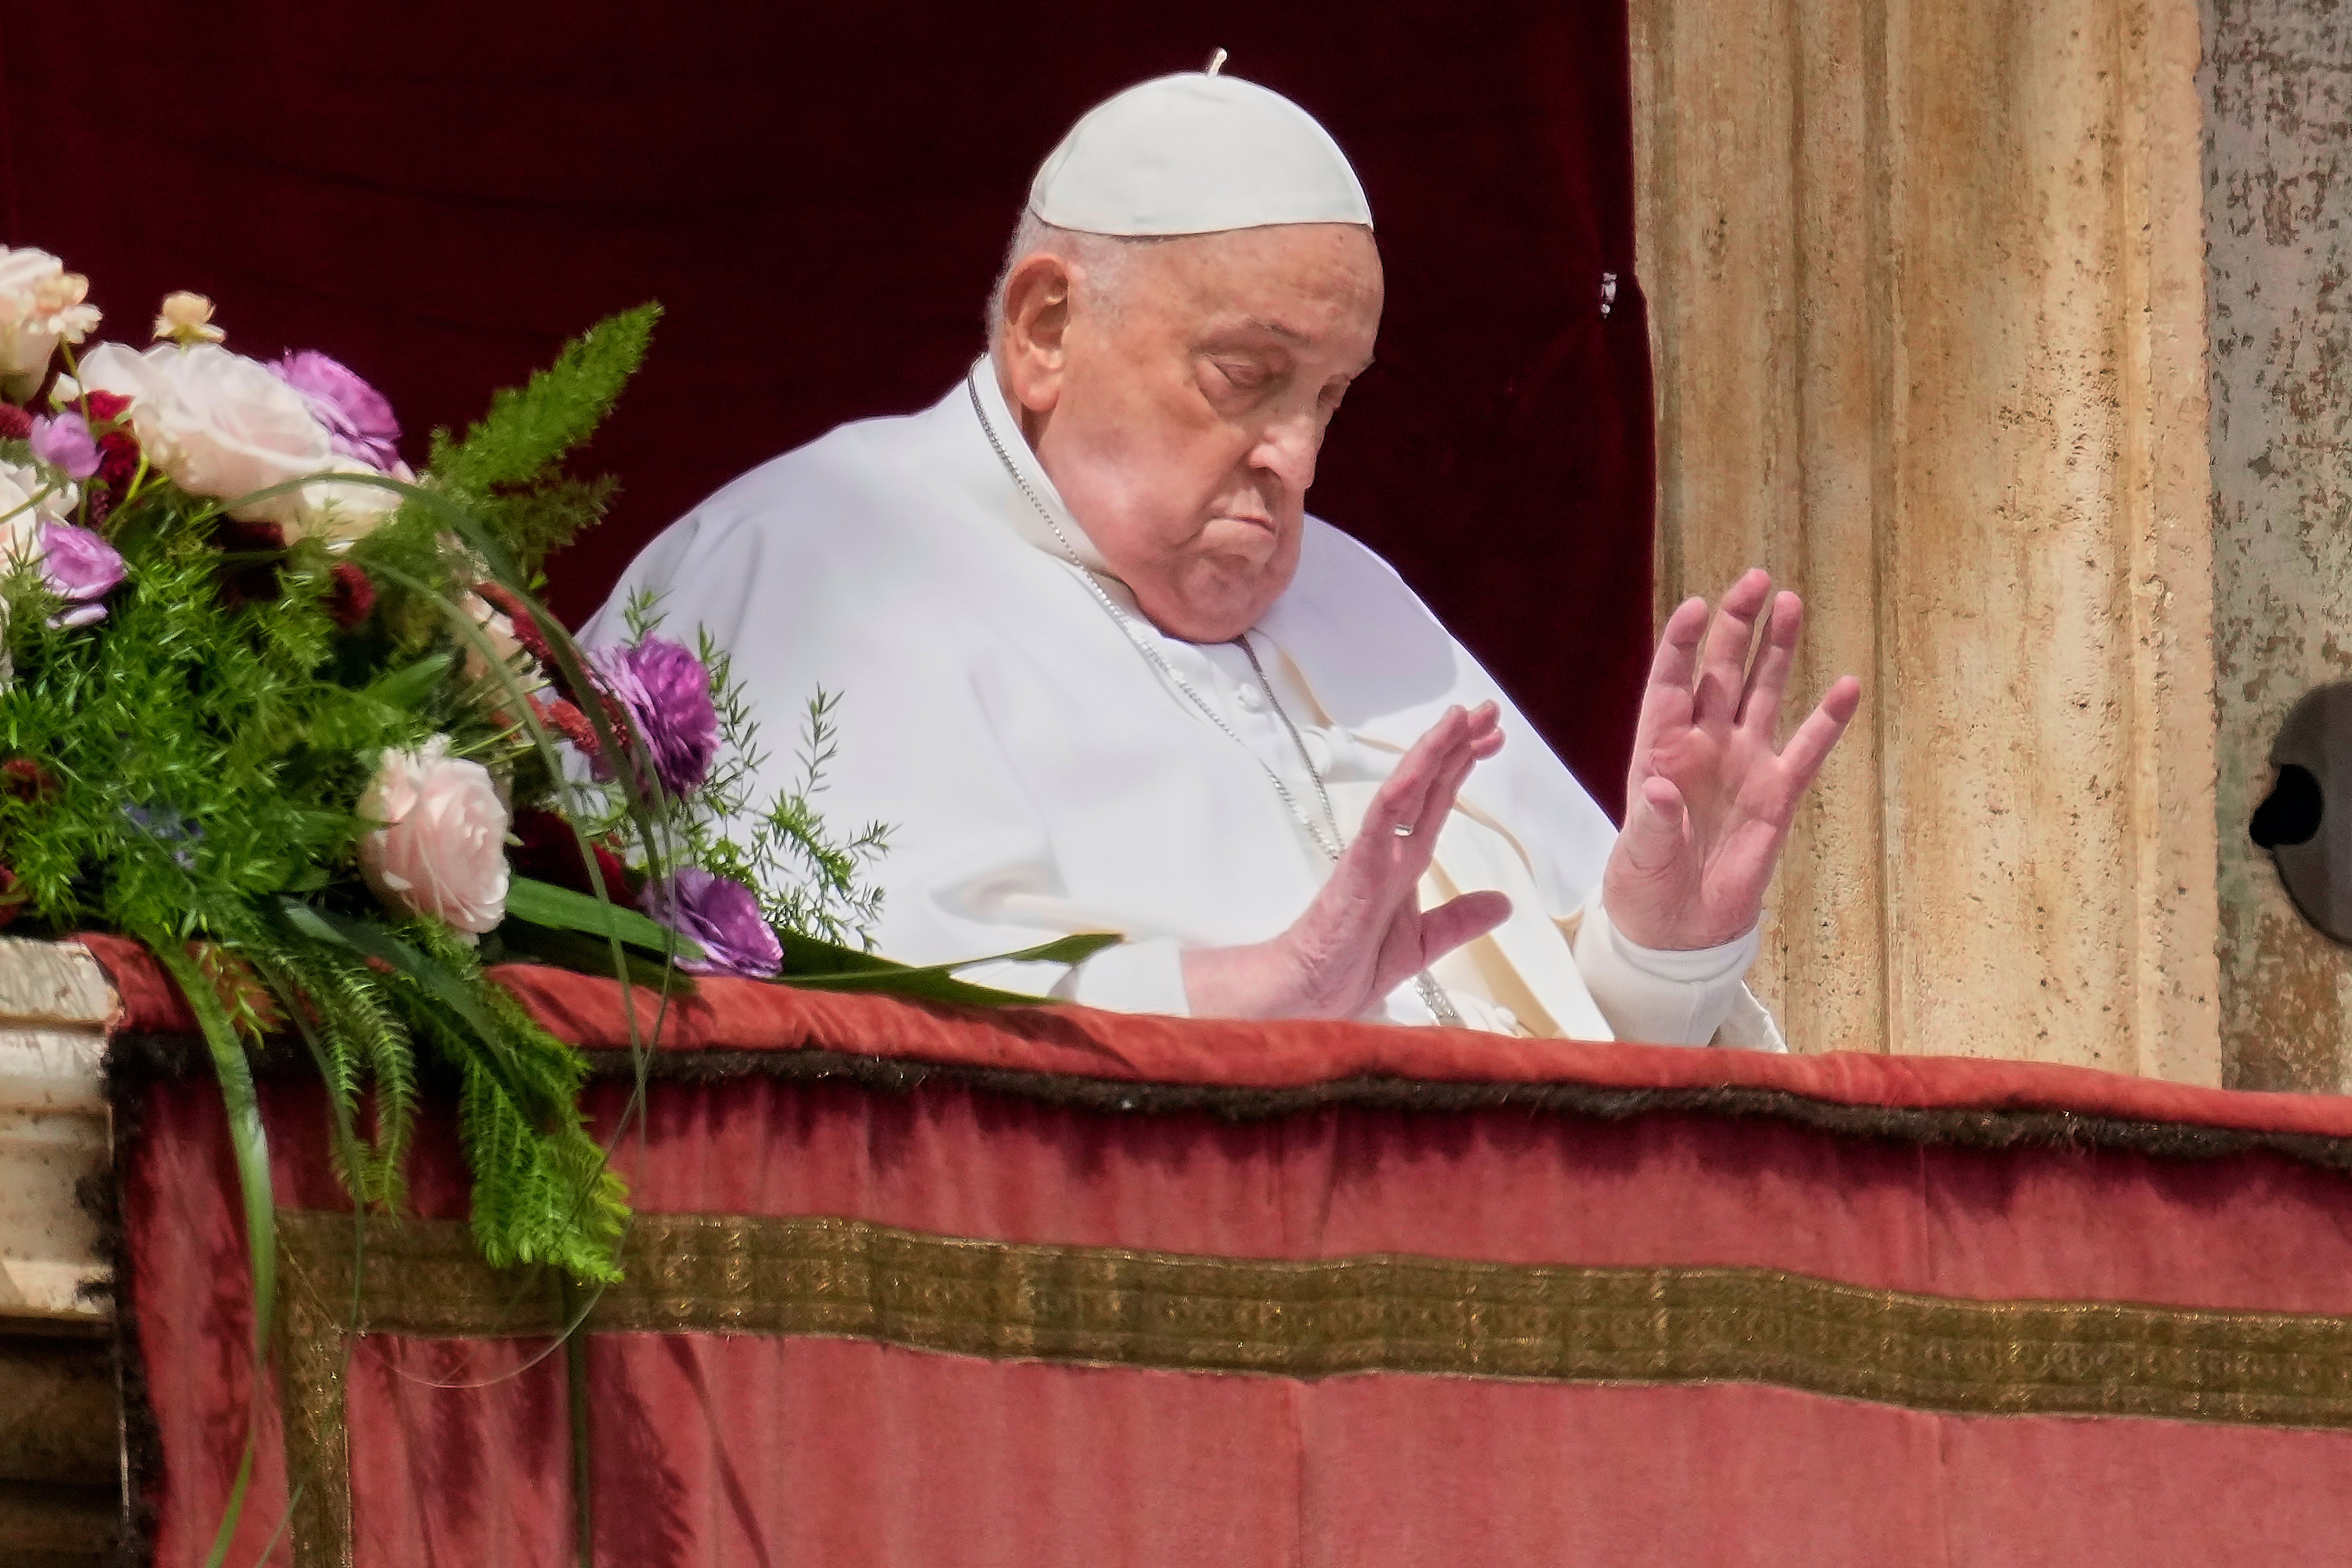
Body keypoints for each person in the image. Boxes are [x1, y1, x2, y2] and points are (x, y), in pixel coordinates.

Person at [585, 65, 1860, 1047]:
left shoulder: (1357, 596)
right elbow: (811, 1049)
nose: (1295, 461)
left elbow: (1568, 1078)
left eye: (1330, 399)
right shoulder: (810, 561)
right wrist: (1249, 996)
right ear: (1046, 329)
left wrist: (1661, 953)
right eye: (1247, 378)